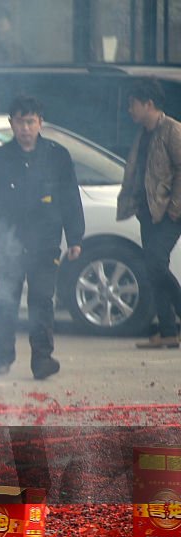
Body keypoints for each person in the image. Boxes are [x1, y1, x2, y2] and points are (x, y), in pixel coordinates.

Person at [0, 96, 84, 379]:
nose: (25, 128)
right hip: (9, 243)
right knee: (6, 299)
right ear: (11, 124)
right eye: (20, 122)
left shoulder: (57, 156)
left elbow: (70, 197)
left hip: (45, 242)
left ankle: (42, 359)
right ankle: (2, 357)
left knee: (42, 300)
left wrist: (75, 237)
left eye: (31, 121)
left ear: (40, 123)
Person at [116, 78, 181, 349]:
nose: (129, 110)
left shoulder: (172, 130)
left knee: (155, 264)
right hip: (147, 212)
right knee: (154, 270)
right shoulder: (143, 133)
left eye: (133, 104)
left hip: (168, 213)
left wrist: (175, 208)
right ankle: (167, 331)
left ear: (148, 104)